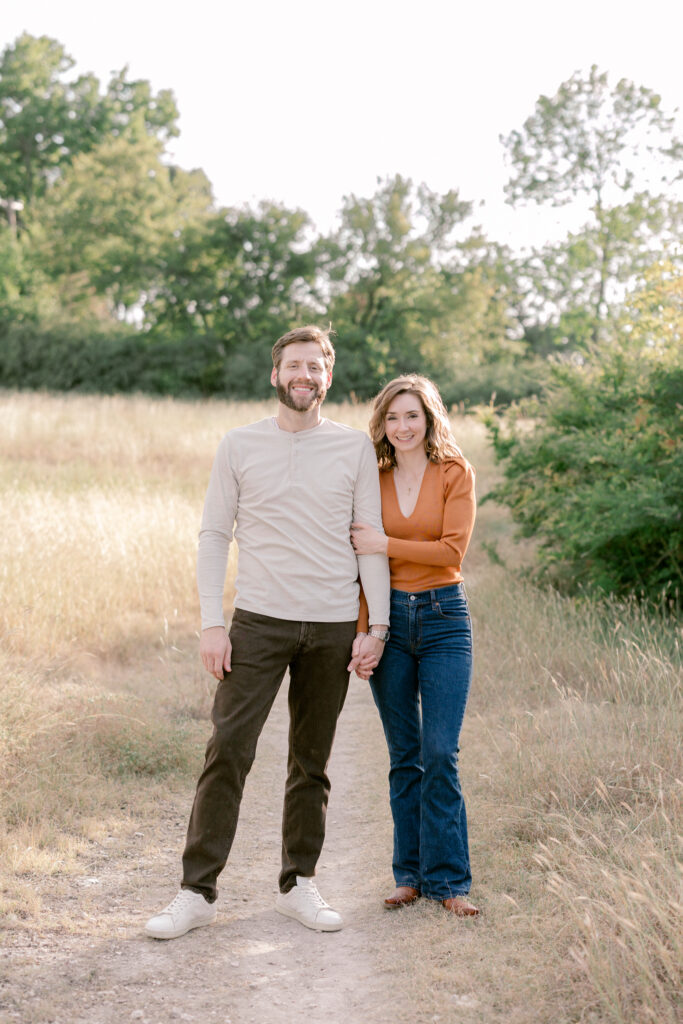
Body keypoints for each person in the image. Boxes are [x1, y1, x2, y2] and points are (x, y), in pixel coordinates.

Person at [145, 325, 390, 940]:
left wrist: (378, 626)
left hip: (332, 624)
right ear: (275, 374)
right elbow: (213, 535)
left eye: (316, 366)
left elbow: (369, 541)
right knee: (228, 749)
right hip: (257, 621)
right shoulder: (239, 444)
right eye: (294, 365)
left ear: (328, 376)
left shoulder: (354, 449)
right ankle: (196, 893)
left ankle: (298, 884)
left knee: (312, 761)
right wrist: (211, 622)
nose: (304, 376)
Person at [350, 374, 479, 916]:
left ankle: (449, 882)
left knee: (440, 751)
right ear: (381, 424)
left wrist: (386, 542)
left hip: (445, 617)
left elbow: (451, 553)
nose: (402, 427)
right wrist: (366, 630)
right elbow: (363, 565)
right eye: (393, 417)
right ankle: (409, 875)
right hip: (391, 622)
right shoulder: (372, 479)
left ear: (429, 420)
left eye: (412, 416)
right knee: (404, 754)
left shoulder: (454, 472)